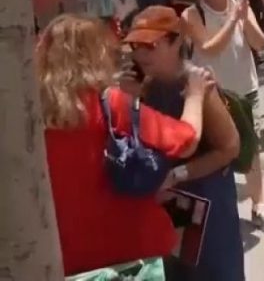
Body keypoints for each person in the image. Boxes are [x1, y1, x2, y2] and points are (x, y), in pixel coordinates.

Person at [39, 15, 208, 275]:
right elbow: (187, 139)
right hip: (130, 257)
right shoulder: (111, 103)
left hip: (64, 262)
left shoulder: (24, 118)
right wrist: (196, 94)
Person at [127, 6, 245, 280]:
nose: (140, 54)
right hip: (168, 203)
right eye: (135, 45)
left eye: (149, 45)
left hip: (208, 201)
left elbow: (229, 148)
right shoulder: (145, 84)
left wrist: (179, 174)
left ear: (176, 40)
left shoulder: (198, 84)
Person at [181, 0, 264, 233]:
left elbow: (259, 42)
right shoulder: (191, 14)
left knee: (252, 150)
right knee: (218, 155)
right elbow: (209, 48)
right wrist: (233, 18)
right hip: (213, 96)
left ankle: (261, 205)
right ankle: (220, 212)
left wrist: (243, 17)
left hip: (246, 89)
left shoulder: (239, 6)